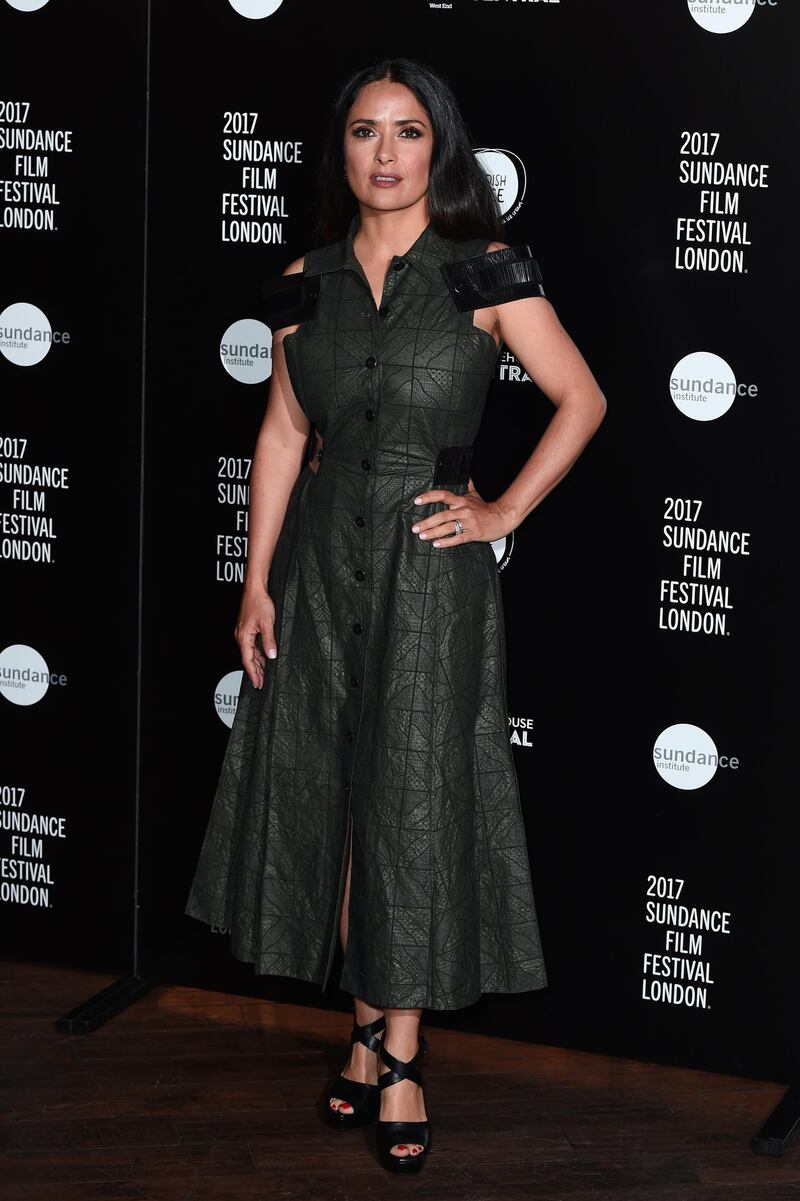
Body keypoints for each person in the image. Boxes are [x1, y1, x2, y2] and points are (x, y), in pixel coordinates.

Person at [185, 57, 606, 1175]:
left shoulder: (483, 270)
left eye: (407, 132)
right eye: (364, 132)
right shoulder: (304, 276)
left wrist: (499, 506)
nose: (383, 154)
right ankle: (364, 1038)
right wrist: (254, 579)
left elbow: (582, 398)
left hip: (429, 573)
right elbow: (281, 431)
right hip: (320, 565)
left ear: (439, 148)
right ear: (342, 152)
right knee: (330, 790)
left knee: (410, 799)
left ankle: (397, 1051)